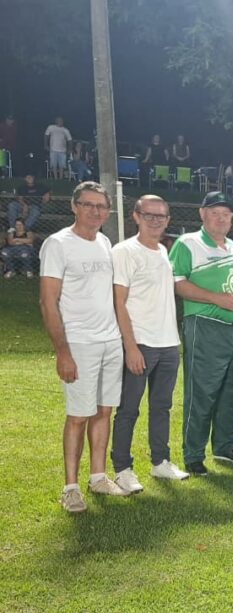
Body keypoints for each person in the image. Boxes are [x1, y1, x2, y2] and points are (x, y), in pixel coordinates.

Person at [40, 182, 127, 511]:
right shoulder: (58, 244)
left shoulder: (104, 242)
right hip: (79, 343)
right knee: (78, 415)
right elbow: (48, 301)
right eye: (88, 204)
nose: (95, 211)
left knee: (104, 411)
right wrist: (63, 351)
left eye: (101, 206)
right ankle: (71, 487)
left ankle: (98, 477)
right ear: (74, 206)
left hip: (110, 341)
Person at [110, 195, 188, 493]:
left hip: (168, 343)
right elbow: (119, 301)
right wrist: (130, 346)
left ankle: (160, 461)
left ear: (168, 219)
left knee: (162, 406)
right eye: (149, 215)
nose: (155, 220)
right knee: (129, 408)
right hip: (141, 343)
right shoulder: (125, 251)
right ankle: (122, 468)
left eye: (161, 216)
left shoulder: (163, 251)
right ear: (136, 216)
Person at [169, 191, 233, 475]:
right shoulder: (188, 243)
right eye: (215, 213)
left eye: (226, 214)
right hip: (205, 325)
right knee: (202, 392)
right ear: (202, 214)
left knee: (231, 391)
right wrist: (216, 299)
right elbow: (176, 282)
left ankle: (224, 446)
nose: (221, 218)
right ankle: (193, 454)